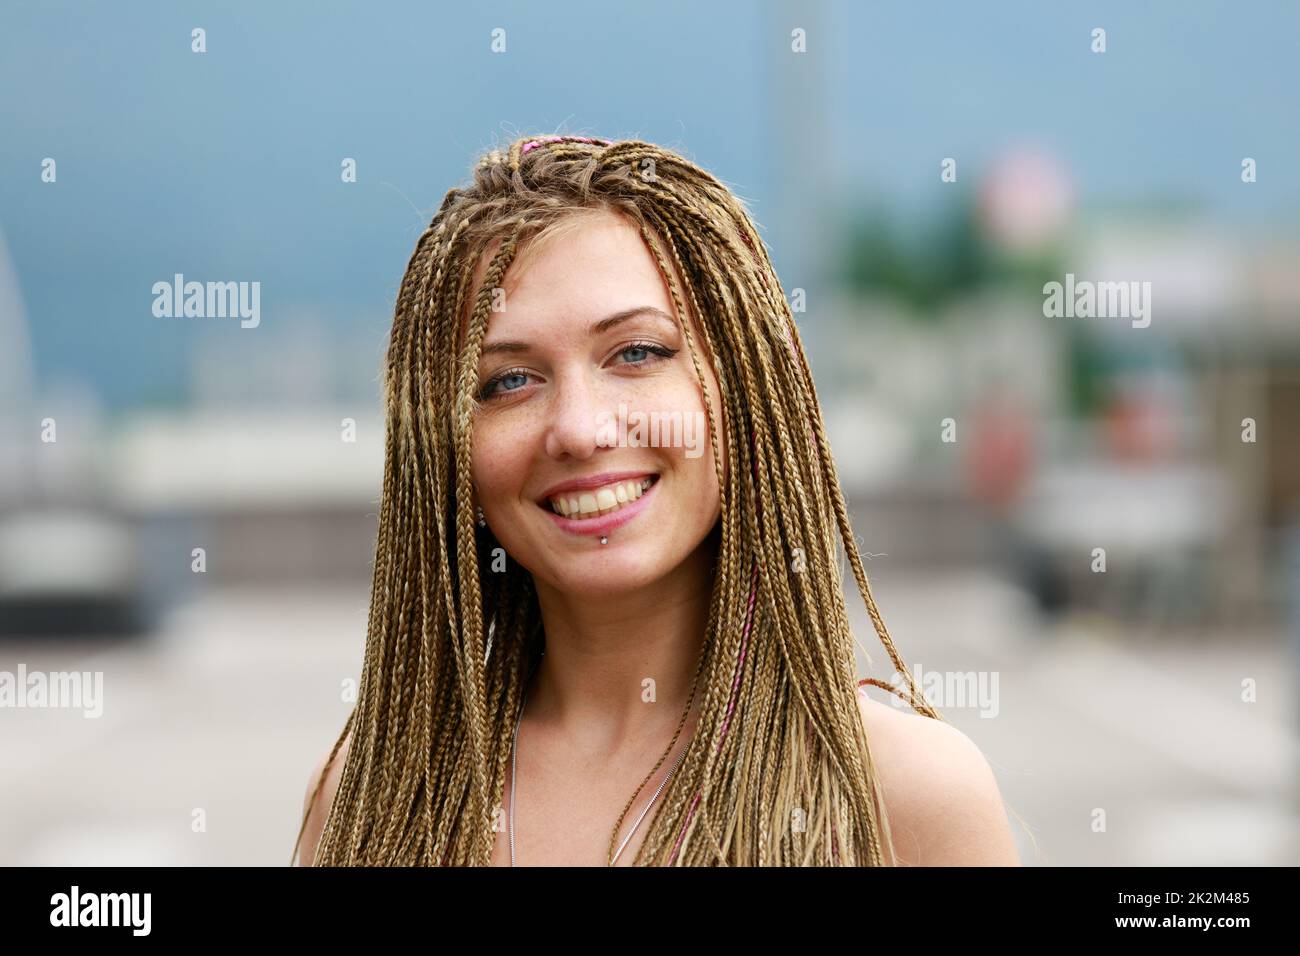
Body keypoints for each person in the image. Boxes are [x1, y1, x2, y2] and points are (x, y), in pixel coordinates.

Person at [293, 134, 1020, 866]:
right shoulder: (376, 800)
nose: (579, 429)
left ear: (746, 386)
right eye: (508, 381)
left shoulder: (909, 798)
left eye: (637, 352)